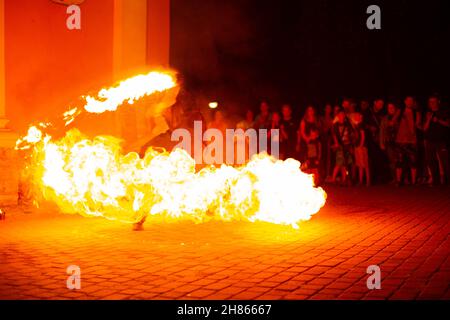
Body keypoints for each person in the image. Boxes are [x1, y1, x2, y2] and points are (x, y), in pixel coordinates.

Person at [394, 96, 422, 186]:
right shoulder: (400, 111)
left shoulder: (416, 112)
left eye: (411, 101)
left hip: (412, 140)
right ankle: (399, 181)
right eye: (408, 101)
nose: (409, 102)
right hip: (400, 140)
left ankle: (413, 181)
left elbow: (418, 124)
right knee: (399, 161)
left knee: (413, 161)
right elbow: (393, 121)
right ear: (405, 101)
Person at [423, 95, 450, 185]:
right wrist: (428, 119)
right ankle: (435, 180)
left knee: (445, 161)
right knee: (431, 161)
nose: (432, 103)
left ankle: (447, 180)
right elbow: (425, 128)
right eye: (430, 102)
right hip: (429, 140)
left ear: (438, 101)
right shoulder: (428, 113)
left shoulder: (444, 112)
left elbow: (448, 124)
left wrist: (438, 120)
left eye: (434, 101)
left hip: (441, 140)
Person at [331, 109, 355, 185]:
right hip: (340, 146)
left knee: (345, 164)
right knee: (338, 163)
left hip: (347, 145)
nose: (342, 116)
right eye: (340, 115)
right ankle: (333, 179)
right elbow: (334, 135)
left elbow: (351, 133)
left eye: (343, 114)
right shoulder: (335, 125)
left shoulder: (347, 124)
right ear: (338, 116)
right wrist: (336, 143)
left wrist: (351, 144)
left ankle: (344, 180)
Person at [380, 102, 401, 182]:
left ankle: (401, 178)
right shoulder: (385, 118)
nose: (390, 109)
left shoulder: (399, 118)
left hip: (399, 141)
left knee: (400, 160)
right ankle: (394, 178)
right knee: (392, 160)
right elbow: (382, 131)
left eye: (392, 107)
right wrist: (382, 142)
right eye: (389, 108)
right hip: (389, 142)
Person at [353, 112, 370, 186]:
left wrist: (361, 145)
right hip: (358, 146)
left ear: (361, 116)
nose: (355, 117)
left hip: (361, 147)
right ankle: (361, 181)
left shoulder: (361, 125)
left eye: (357, 115)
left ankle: (367, 181)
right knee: (360, 164)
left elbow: (363, 136)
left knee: (364, 164)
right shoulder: (357, 125)